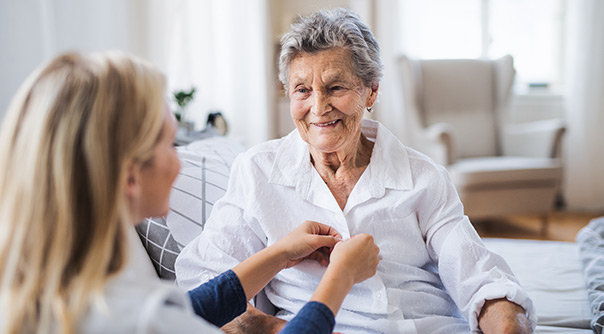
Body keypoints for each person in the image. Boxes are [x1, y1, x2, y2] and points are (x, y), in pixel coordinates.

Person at [176, 8, 536, 334]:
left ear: (371, 91)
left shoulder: (424, 177)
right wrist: (268, 327)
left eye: (335, 87)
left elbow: (482, 282)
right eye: (302, 90)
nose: (318, 108)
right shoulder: (257, 172)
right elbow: (202, 279)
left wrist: (506, 325)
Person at [0, 51, 380, 334]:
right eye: (170, 145)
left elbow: (189, 309)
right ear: (131, 177)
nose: (181, 163)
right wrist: (341, 276)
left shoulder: (60, 296)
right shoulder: (141, 319)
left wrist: (278, 254)